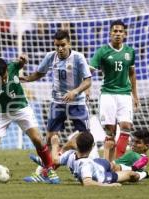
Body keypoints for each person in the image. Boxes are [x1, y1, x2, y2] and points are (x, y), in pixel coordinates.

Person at [0, 55, 60, 184]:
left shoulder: (12, 67)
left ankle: (49, 169)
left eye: (4, 78)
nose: (2, 81)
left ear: (7, 71)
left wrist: (24, 61)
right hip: (1, 113)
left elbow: (20, 64)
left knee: (38, 139)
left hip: (21, 108)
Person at [20, 30, 94, 181]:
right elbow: (39, 74)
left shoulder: (78, 58)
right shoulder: (50, 57)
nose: (60, 49)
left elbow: (88, 80)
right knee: (49, 138)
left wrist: (76, 91)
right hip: (57, 102)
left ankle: (55, 162)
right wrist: (25, 79)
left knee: (85, 139)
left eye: (63, 45)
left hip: (77, 102)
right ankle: (45, 170)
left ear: (69, 44)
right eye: (57, 45)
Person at [89, 20, 140, 160]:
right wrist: (86, 88)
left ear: (125, 34)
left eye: (120, 31)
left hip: (124, 94)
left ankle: (118, 163)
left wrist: (135, 96)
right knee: (110, 131)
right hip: (108, 94)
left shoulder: (130, 52)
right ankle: (108, 163)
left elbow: (132, 73)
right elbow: (90, 71)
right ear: (110, 33)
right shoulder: (102, 51)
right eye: (115, 31)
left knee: (126, 126)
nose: (117, 34)